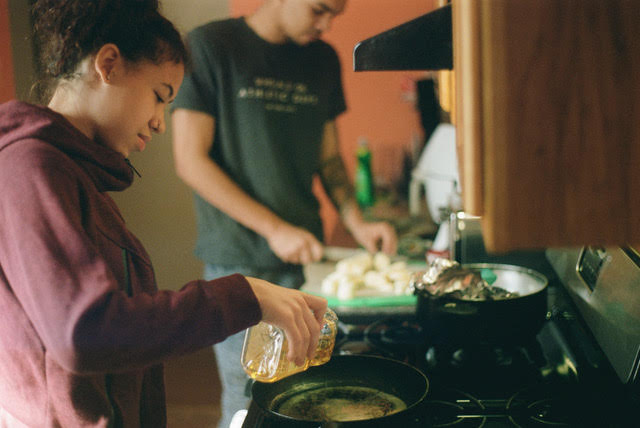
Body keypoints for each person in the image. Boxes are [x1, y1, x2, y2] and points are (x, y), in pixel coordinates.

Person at [0, 1, 328, 427]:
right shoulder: (31, 168)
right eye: (159, 97)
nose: (159, 123)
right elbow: (84, 333)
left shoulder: (71, 174)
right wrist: (246, 295)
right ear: (109, 64)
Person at [170, 0, 398, 426]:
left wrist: (358, 223)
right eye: (319, 10)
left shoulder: (322, 59)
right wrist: (274, 229)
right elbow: (190, 160)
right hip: (238, 265)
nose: (327, 24)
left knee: (306, 402)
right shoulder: (210, 47)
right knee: (249, 407)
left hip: (303, 268)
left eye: (335, 15)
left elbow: (329, 161)